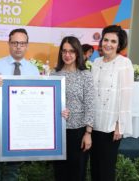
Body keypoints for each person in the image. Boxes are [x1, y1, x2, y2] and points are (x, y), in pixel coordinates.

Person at [0, 28, 40, 181]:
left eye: (22, 43)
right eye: (15, 42)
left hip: (20, 123)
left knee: (13, 169)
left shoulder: (33, 70)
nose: (18, 46)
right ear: (9, 44)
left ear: (27, 45)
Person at [90, 25, 134, 181]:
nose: (108, 44)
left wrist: (119, 125)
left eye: (113, 41)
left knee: (106, 168)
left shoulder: (124, 63)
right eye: (106, 40)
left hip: (111, 126)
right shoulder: (96, 62)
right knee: (95, 165)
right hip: (94, 124)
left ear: (119, 44)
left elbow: (126, 95)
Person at [51, 36, 95, 181]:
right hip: (57, 132)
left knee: (77, 173)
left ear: (78, 53)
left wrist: (88, 133)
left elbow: (90, 104)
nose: (67, 55)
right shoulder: (54, 74)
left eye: (71, 51)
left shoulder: (85, 75)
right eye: (64, 51)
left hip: (78, 131)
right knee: (60, 172)